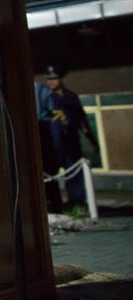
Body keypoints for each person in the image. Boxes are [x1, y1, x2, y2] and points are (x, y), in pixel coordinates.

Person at [44, 65, 99, 213]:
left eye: (54, 78)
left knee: (74, 173)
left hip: (70, 141)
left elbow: (82, 121)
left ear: (61, 79)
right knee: (50, 175)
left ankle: (77, 203)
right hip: (52, 143)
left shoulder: (71, 97)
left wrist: (93, 142)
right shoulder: (45, 96)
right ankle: (54, 206)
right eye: (49, 79)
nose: (51, 82)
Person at [35, 80, 64, 213]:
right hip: (43, 130)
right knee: (48, 170)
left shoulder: (41, 90)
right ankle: (53, 204)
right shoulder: (43, 90)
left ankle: (51, 205)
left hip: (42, 130)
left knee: (47, 169)